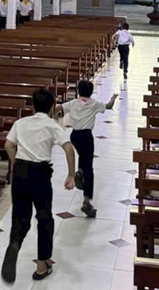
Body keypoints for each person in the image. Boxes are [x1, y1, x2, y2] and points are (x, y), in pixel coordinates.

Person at [1, 88, 76, 283]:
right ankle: (42, 264)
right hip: (40, 174)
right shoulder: (52, 126)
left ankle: (15, 243)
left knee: (20, 216)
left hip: (20, 173)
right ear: (52, 107)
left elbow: (8, 145)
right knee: (44, 218)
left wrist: (17, 164)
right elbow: (68, 148)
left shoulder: (20, 123)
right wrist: (70, 175)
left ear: (33, 106)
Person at [59, 80, 117, 218]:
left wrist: (56, 116)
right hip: (86, 136)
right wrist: (113, 98)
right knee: (89, 168)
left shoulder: (73, 103)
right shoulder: (94, 104)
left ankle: (80, 171)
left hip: (74, 136)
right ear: (91, 92)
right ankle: (87, 200)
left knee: (83, 156)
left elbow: (60, 108)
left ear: (78, 91)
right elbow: (108, 106)